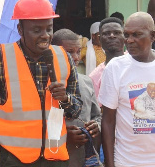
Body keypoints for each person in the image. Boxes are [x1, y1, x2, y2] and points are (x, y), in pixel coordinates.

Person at [0, 0, 82, 167]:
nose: (45, 35)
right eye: (37, 30)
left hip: (55, 156)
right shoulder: (0, 58)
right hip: (15, 158)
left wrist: (66, 99)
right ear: (20, 30)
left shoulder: (63, 58)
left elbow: (75, 111)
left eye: (49, 28)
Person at [100, 12, 155, 167]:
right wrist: (109, 164)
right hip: (127, 161)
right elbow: (108, 121)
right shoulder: (116, 68)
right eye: (127, 35)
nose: (129, 40)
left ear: (152, 36)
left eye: (136, 35)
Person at [52, 29, 101, 167]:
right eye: (69, 52)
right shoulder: (47, 85)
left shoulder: (86, 82)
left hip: (83, 159)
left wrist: (96, 126)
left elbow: (97, 116)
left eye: (78, 51)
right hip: (56, 159)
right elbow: (37, 126)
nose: (75, 57)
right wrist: (64, 137)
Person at [89, 17, 125, 102]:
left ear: (124, 36)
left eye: (117, 32)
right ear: (99, 38)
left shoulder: (136, 63)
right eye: (106, 33)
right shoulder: (95, 77)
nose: (112, 36)